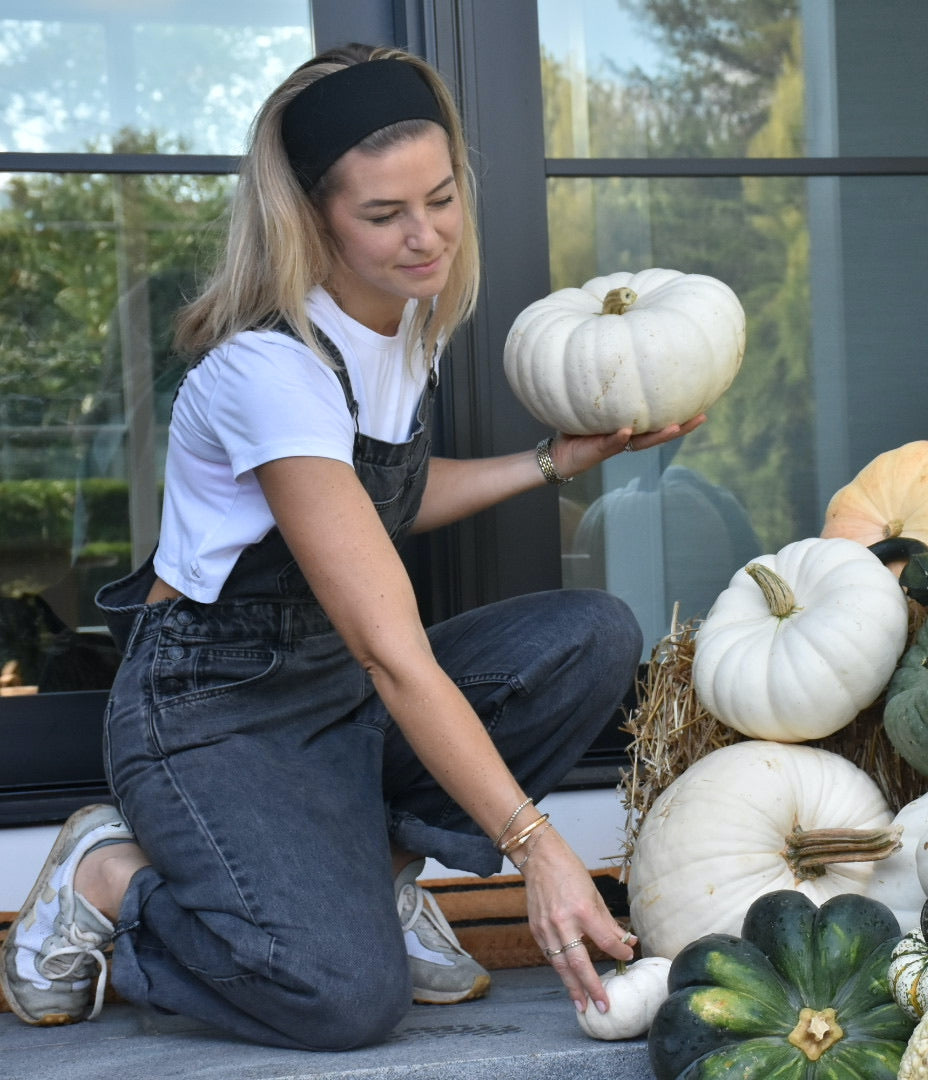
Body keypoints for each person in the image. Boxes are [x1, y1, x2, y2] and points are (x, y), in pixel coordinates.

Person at [0, 43, 702, 1050]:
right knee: (340, 998)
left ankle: (372, 875)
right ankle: (109, 881)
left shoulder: (408, 319)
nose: (427, 239)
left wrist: (552, 462)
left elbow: (381, 501)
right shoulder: (270, 370)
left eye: (442, 198)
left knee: (590, 635)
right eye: (384, 216)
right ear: (311, 218)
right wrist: (534, 844)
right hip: (213, 713)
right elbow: (391, 647)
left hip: (337, 691)